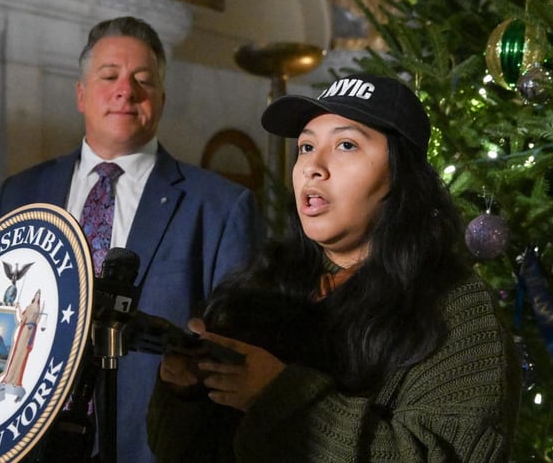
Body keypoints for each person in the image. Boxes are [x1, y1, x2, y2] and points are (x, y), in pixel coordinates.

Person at [147, 73, 522, 462]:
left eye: (346, 145)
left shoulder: (455, 308)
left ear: (400, 176)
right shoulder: (259, 284)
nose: (313, 166)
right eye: (306, 146)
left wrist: (279, 397)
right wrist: (186, 392)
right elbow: (182, 451)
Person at [0, 16, 262, 462]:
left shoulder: (220, 207)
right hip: (30, 443)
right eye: (109, 76)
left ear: (161, 99)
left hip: (151, 446)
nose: (126, 90)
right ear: (81, 94)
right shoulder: (20, 195)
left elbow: (234, 355)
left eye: (143, 80)